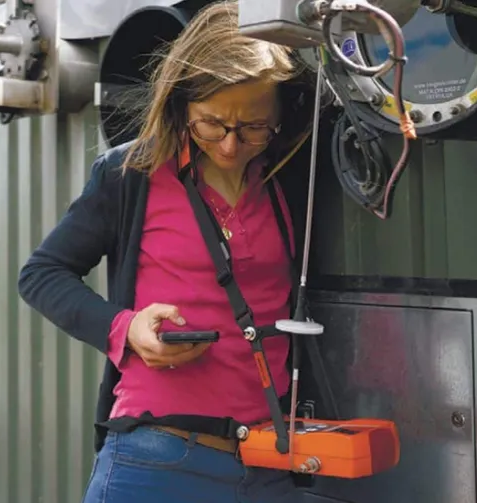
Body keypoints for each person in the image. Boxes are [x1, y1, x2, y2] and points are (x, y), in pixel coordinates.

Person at [18, 1, 342, 501]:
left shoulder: (289, 177)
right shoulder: (131, 175)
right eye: (212, 123)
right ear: (181, 104)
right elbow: (41, 274)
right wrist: (125, 330)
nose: (232, 146)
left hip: (270, 465)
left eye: (254, 126)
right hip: (156, 460)